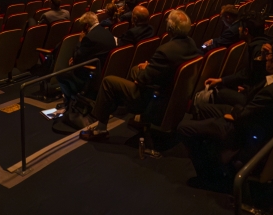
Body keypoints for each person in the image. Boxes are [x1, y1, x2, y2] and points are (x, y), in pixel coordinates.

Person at [177, 39, 273, 190]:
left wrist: (233, 114)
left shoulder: (272, 91)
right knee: (201, 108)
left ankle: (209, 177)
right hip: (246, 113)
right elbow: (255, 85)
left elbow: (244, 114)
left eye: (270, 56)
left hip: (242, 126)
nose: (267, 57)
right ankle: (212, 148)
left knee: (184, 127)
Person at [80, 10, 199, 141]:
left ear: (169, 28)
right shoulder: (192, 44)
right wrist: (148, 68)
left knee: (108, 82)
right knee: (135, 69)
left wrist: (144, 71)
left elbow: (143, 79)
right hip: (170, 93)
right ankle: (139, 116)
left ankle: (101, 129)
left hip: (154, 97)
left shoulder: (165, 51)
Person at [202, 12, 270, 106]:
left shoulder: (258, 50)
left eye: (240, 27)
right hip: (253, 91)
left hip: (254, 100)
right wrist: (221, 80)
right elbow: (249, 72)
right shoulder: (261, 43)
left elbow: (260, 77)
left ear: (246, 31)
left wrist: (248, 90)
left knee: (215, 92)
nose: (238, 29)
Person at [57, 12, 116, 109]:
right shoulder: (107, 33)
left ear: (86, 25)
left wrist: (80, 41)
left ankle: (71, 101)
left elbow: (77, 58)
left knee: (60, 74)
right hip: (104, 72)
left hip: (91, 77)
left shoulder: (89, 38)